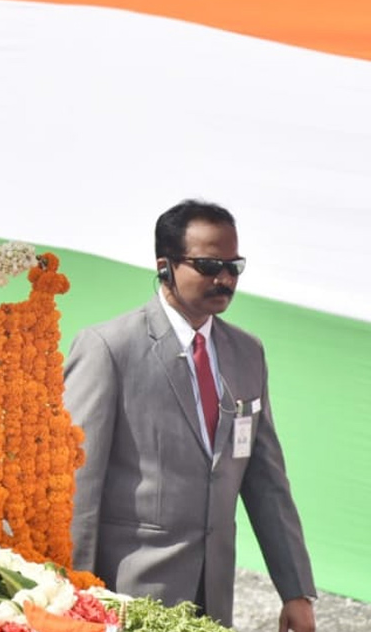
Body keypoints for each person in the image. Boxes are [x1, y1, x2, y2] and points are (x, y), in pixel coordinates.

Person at [64, 199, 316, 632]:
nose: (224, 278)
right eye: (208, 265)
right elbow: (75, 485)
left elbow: (266, 482)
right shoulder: (109, 348)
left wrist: (295, 591)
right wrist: (71, 594)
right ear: (165, 266)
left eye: (233, 266)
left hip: (212, 598)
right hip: (124, 596)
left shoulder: (247, 354)